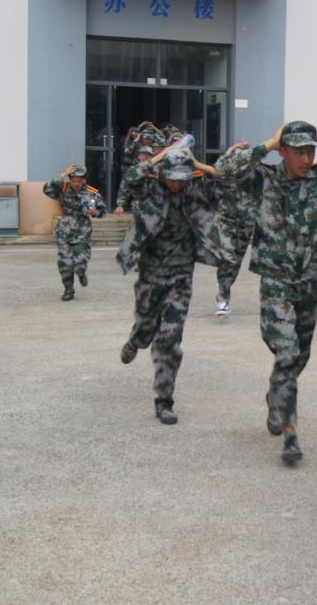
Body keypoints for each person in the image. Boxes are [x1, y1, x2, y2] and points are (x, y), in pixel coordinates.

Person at [215, 121, 317, 464]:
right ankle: (290, 432)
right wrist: (267, 142)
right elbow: (224, 171)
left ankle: (277, 396)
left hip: (311, 280)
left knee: (299, 357)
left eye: (311, 151)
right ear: (282, 151)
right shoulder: (262, 179)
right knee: (286, 353)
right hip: (277, 282)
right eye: (298, 150)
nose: (306, 158)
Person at [116, 147, 232, 425]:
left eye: (183, 178)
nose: (178, 184)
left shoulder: (196, 192)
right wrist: (161, 155)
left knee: (170, 341)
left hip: (181, 278)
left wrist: (198, 164)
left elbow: (229, 180)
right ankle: (136, 340)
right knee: (146, 328)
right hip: (150, 276)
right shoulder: (150, 191)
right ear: (162, 174)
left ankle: (164, 400)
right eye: (173, 177)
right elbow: (131, 177)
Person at [42, 164, 107, 301]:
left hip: (83, 231)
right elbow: (47, 189)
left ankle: (81, 273)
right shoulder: (63, 189)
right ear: (70, 180)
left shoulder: (92, 192)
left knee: (80, 263)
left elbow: (103, 211)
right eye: (73, 180)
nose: (76, 184)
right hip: (65, 231)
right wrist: (63, 174)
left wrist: (95, 212)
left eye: (79, 181)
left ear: (84, 180)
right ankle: (68, 290)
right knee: (64, 262)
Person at [212, 139, 260, 316]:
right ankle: (222, 298)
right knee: (227, 258)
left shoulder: (256, 172)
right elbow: (217, 167)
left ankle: (225, 291)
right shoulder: (227, 172)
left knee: (236, 263)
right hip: (226, 220)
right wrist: (231, 149)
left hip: (246, 223)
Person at [113, 144, 154, 216]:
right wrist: (120, 205)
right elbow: (124, 189)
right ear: (139, 157)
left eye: (148, 155)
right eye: (143, 155)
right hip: (139, 204)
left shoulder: (157, 170)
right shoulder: (133, 172)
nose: (146, 157)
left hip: (156, 204)